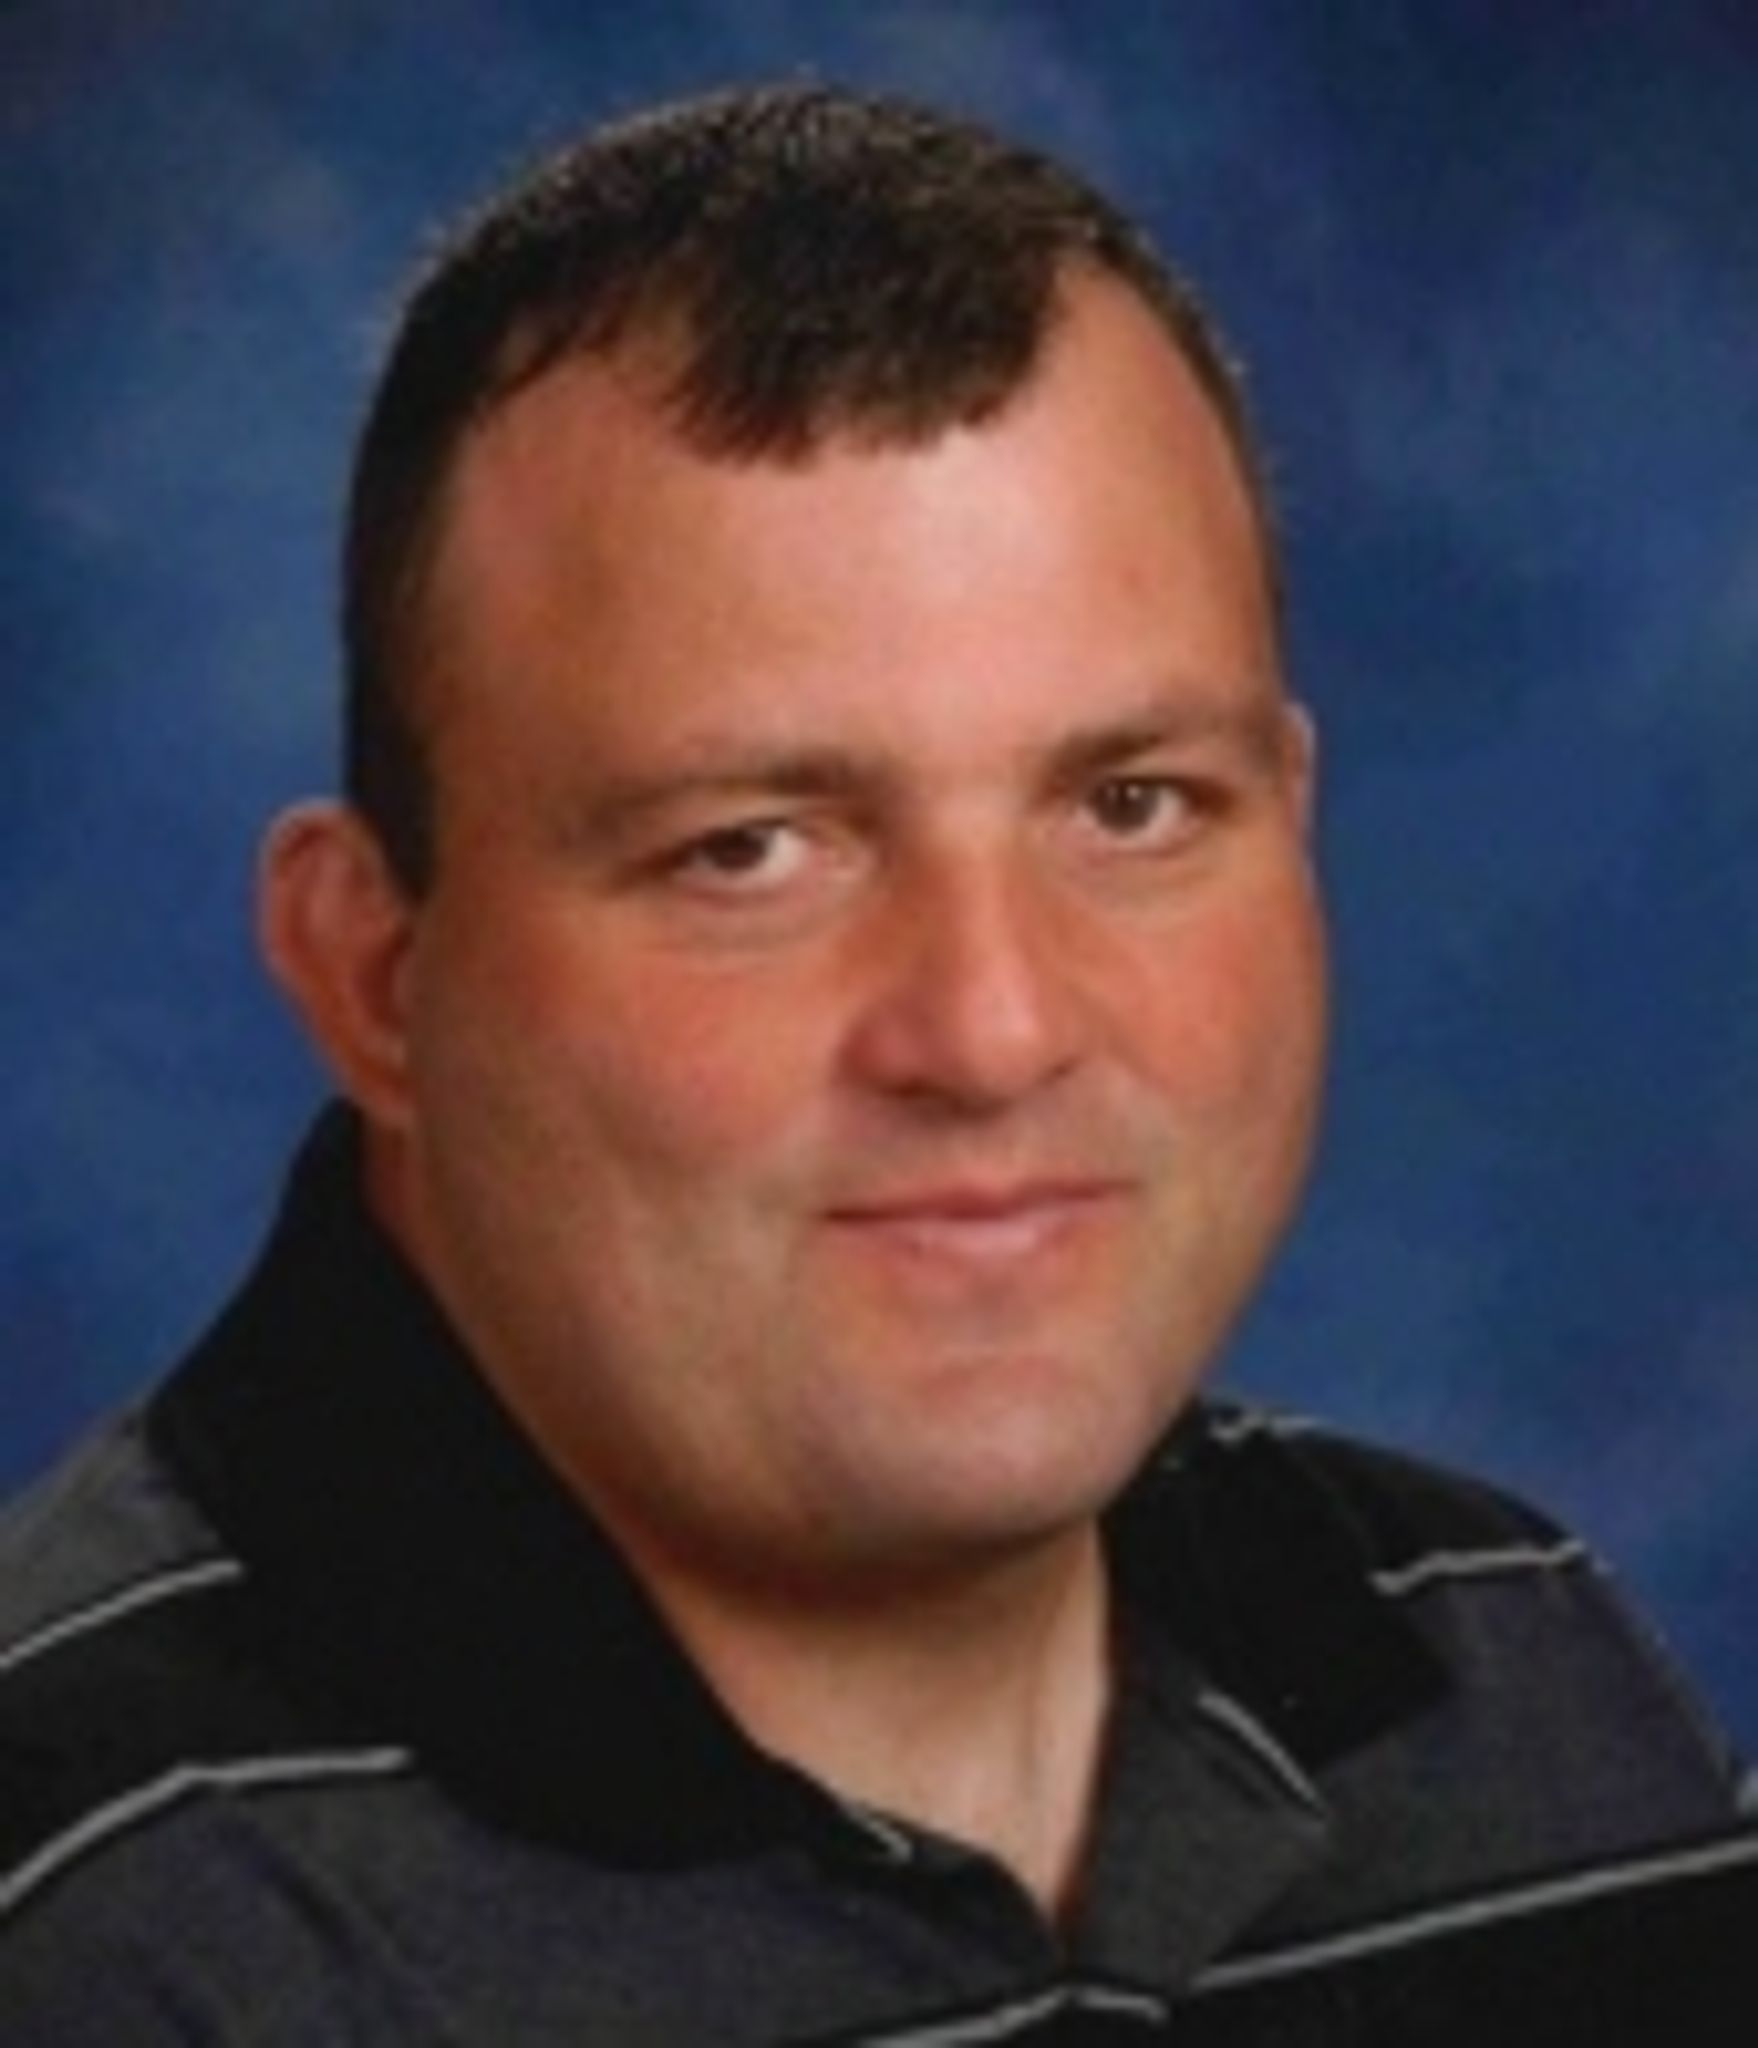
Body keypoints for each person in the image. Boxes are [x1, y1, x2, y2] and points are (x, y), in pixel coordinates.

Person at [1, 82, 1752, 2044]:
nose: (993, 1030)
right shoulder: (97, 1925)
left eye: (1135, 805)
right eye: (750, 850)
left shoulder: (1525, 1691)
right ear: (375, 974)